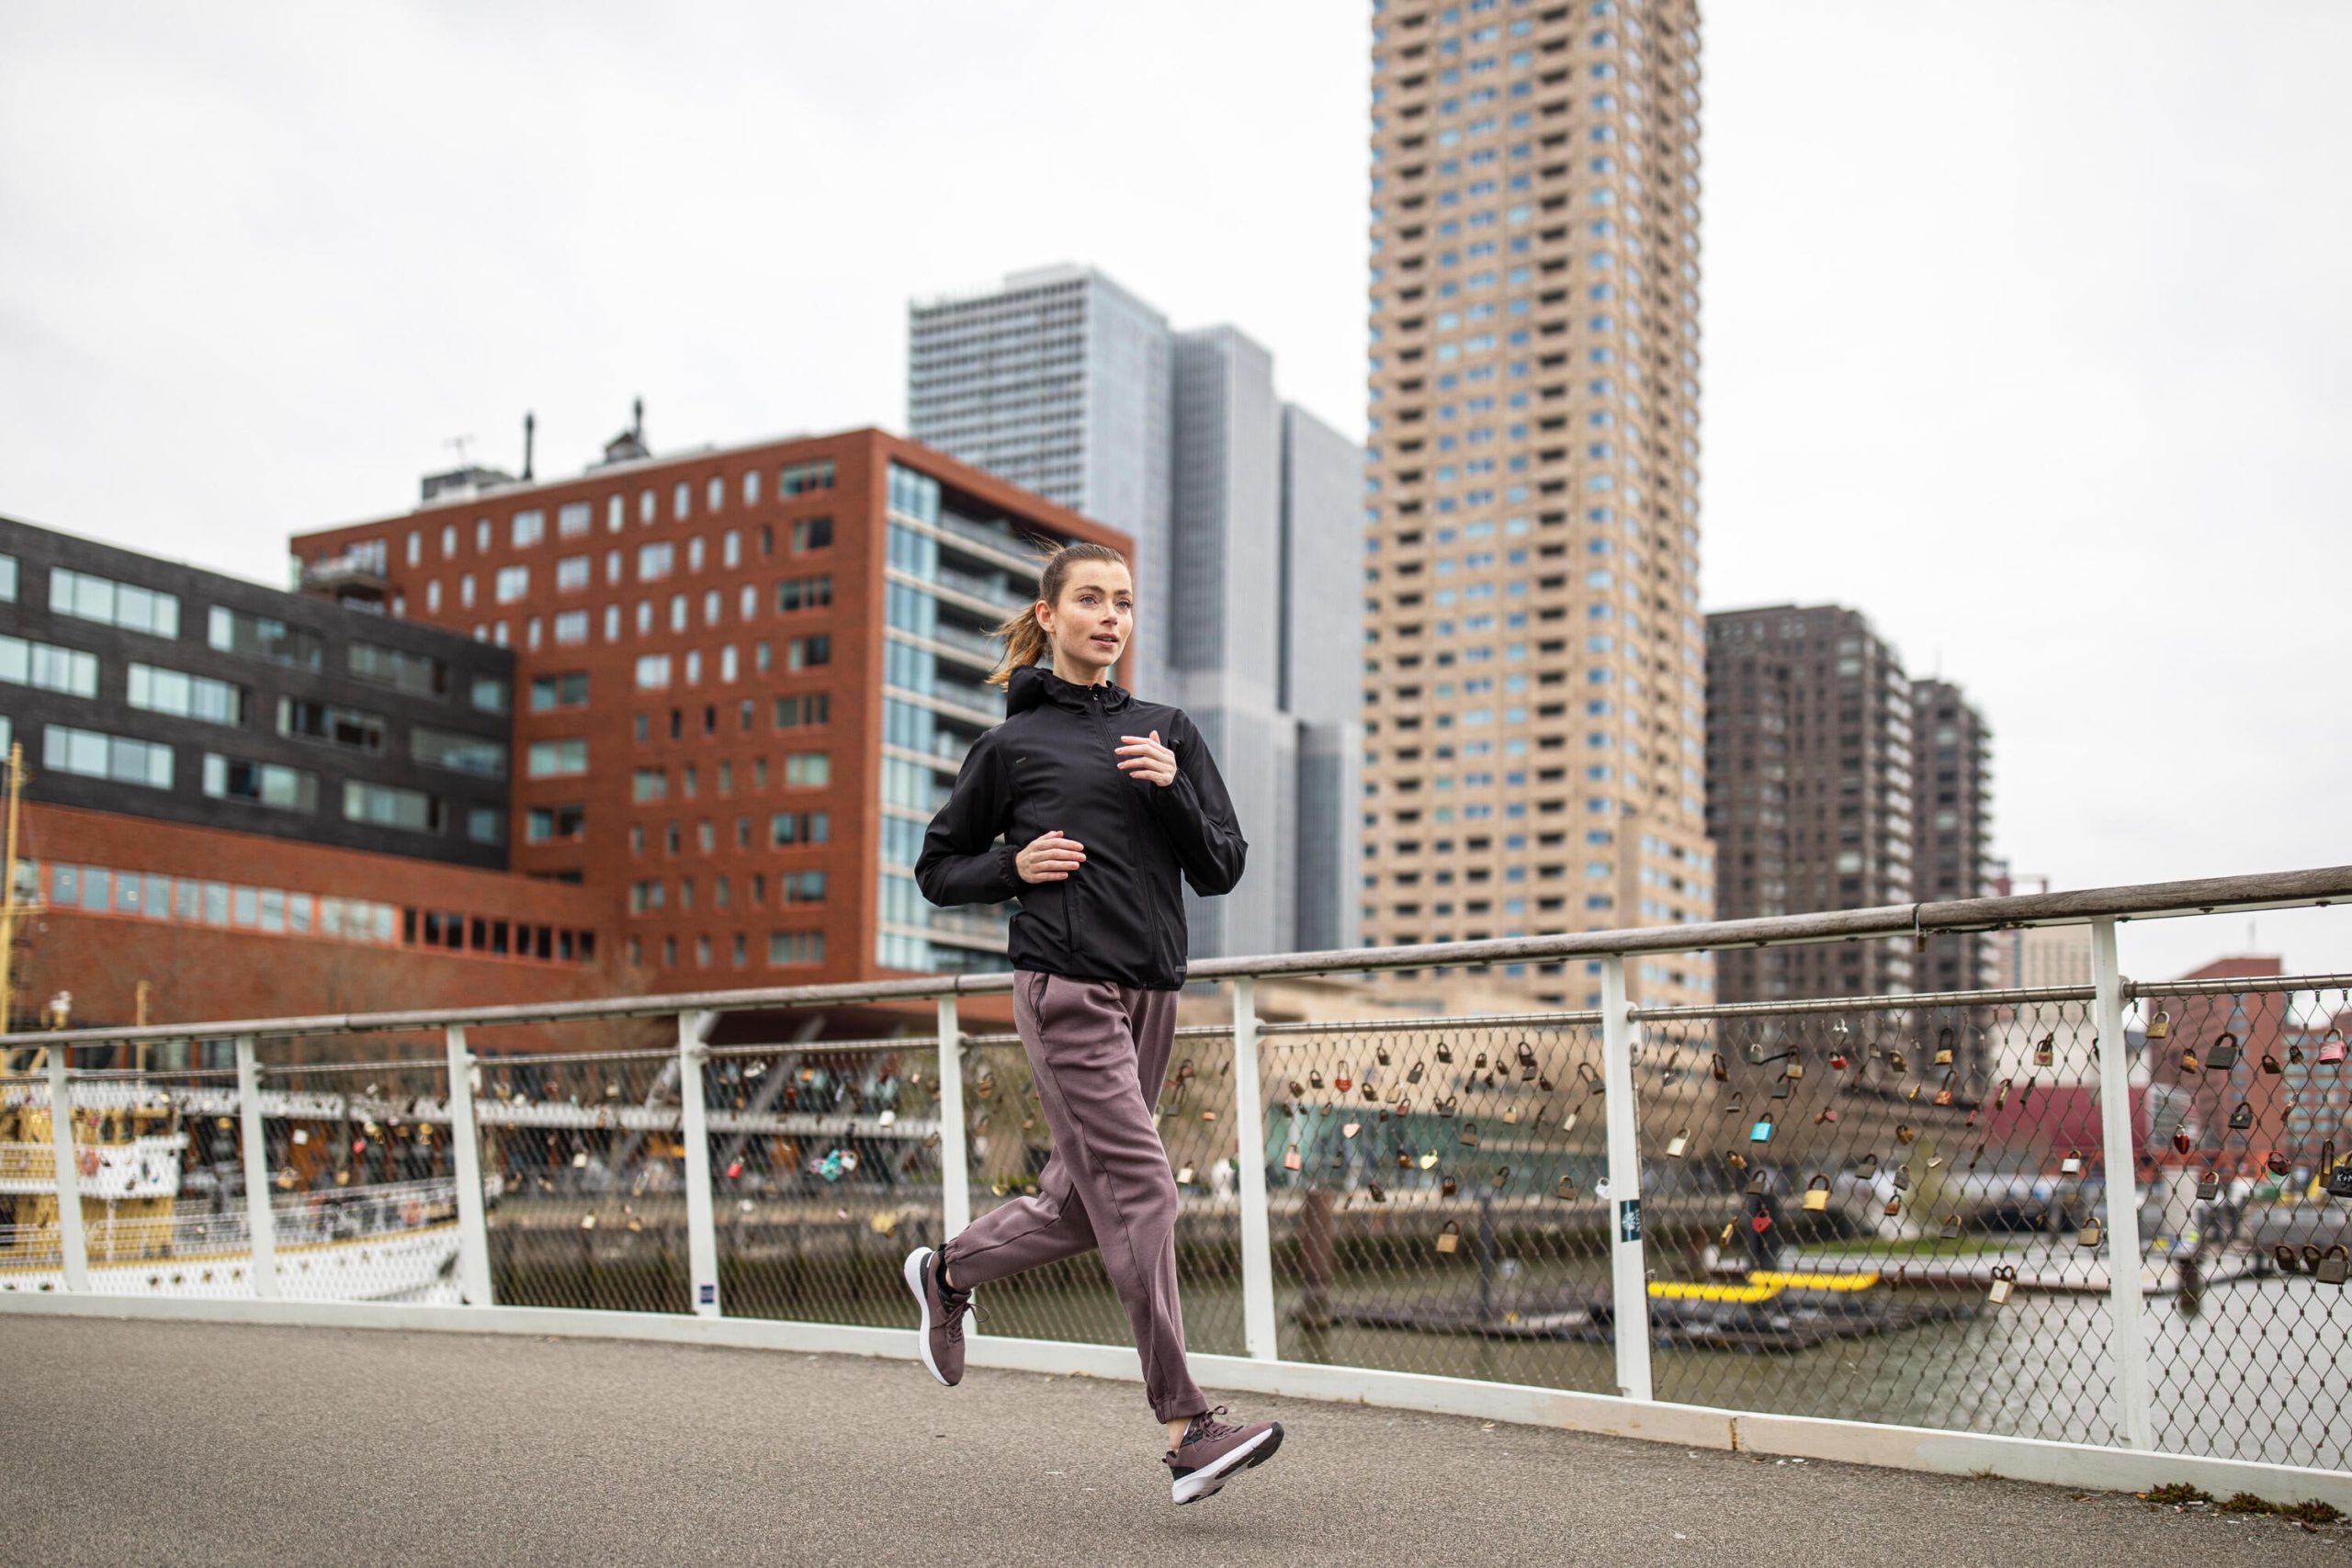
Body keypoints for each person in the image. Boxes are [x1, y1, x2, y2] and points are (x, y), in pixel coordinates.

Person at [905, 541, 1283, 1506]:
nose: (1110, 616)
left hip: (1152, 991)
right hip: (1064, 986)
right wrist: (1012, 869)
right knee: (1146, 1189)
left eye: (1121, 601)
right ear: (1049, 615)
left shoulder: (1167, 731)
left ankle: (947, 1272)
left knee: (1085, 1206)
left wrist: (1175, 788)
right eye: (1089, 599)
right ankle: (1187, 1427)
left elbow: (1223, 865)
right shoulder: (1011, 747)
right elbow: (938, 867)